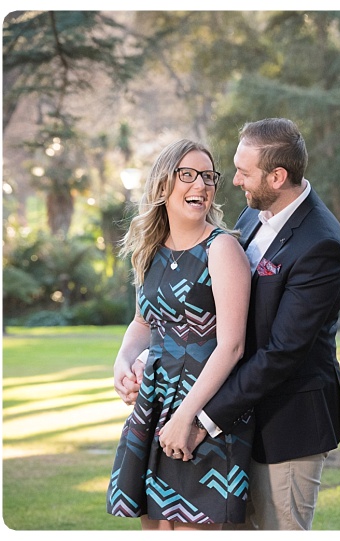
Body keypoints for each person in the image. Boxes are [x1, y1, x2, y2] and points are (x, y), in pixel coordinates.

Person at [117, 118, 340, 530]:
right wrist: (137, 361)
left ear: (277, 177)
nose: (234, 181)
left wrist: (201, 419)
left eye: (243, 172)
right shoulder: (251, 219)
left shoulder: (320, 244)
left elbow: (280, 352)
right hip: (232, 414)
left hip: (286, 423)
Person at [107, 139, 253, 529]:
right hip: (154, 404)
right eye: (187, 174)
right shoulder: (151, 250)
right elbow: (143, 323)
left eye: (208, 176)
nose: (201, 185)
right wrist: (122, 363)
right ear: (162, 185)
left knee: (195, 527)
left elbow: (233, 345)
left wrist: (187, 417)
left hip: (205, 409)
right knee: (155, 526)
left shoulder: (221, 249)